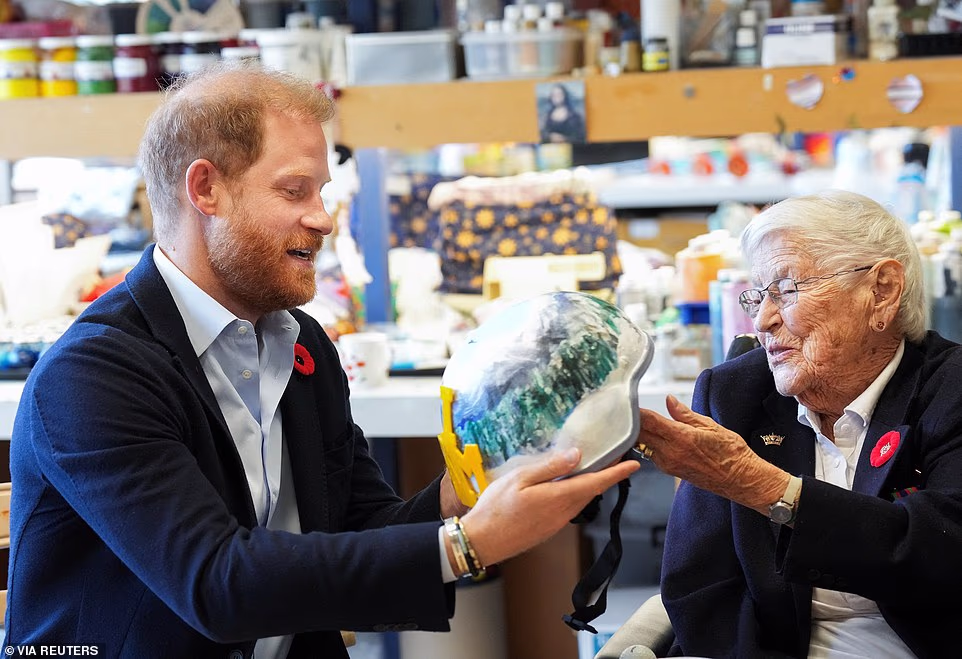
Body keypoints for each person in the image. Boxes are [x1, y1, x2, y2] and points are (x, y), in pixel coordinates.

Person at [4, 63, 640, 658]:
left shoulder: (300, 344)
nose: (324, 218)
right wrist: (468, 544)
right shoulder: (92, 376)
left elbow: (360, 528)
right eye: (294, 191)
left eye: (323, 190)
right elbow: (215, 583)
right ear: (206, 189)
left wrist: (474, 491)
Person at [636, 189, 962, 658]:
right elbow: (702, 587)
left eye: (787, 289)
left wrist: (765, 487)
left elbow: (941, 557)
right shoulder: (733, 396)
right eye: (757, 296)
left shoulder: (950, 390)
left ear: (882, 291)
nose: (764, 320)